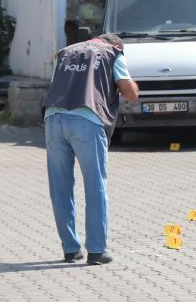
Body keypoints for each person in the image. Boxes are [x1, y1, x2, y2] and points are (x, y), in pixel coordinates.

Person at [42, 33, 138, 264]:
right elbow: (130, 93)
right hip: (87, 119)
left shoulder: (65, 52)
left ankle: (70, 248)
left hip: (53, 118)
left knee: (60, 188)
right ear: (116, 45)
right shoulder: (113, 53)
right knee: (95, 186)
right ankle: (96, 250)